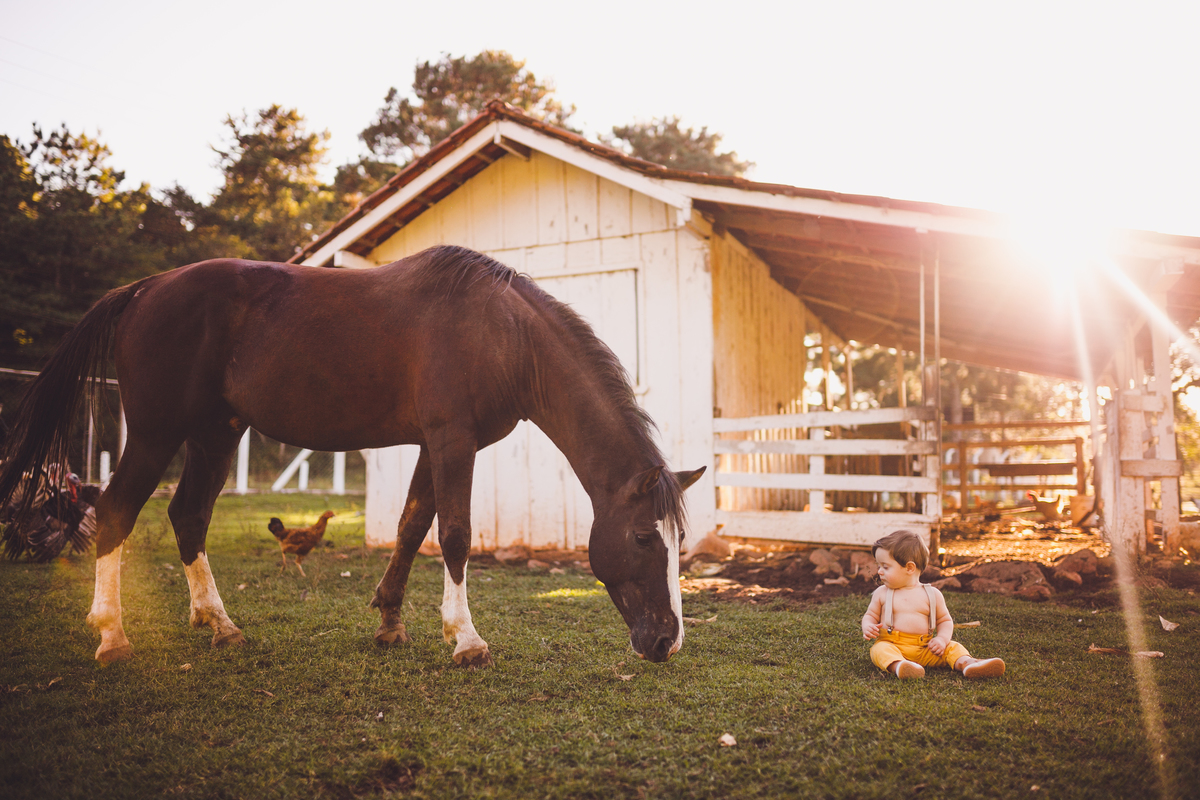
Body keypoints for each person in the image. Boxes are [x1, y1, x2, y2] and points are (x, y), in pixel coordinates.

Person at [861, 530, 1006, 679]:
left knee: (952, 647)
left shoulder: (932, 594)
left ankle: (969, 664)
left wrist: (942, 640)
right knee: (879, 649)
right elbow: (870, 615)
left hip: (926, 648)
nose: (879, 571)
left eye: (885, 567)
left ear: (910, 568)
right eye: (879, 566)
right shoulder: (882, 593)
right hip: (893, 644)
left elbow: (944, 620)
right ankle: (900, 666)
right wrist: (868, 626)